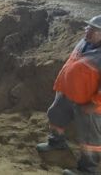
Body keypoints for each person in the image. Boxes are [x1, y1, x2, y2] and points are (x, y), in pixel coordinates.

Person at [36, 15, 101, 175]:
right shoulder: (85, 42)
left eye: (93, 30)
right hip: (66, 91)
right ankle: (56, 143)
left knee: (89, 139)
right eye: (88, 27)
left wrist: (94, 104)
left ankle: (87, 170)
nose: (87, 31)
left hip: (88, 103)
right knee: (55, 116)